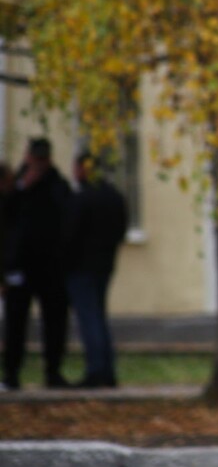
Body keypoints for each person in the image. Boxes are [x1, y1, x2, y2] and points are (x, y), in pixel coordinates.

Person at [2, 137, 73, 391]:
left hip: (51, 266)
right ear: (27, 157)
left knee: (55, 321)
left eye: (43, 159)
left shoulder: (57, 184)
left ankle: (53, 371)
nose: (39, 164)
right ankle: (11, 373)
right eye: (36, 158)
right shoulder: (16, 184)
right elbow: (6, 214)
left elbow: (66, 217)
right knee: (15, 323)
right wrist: (22, 187)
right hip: (20, 266)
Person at [64, 152, 129, 388]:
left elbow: (69, 235)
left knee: (90, 319)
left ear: (84, 169)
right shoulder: (114, 197)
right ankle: (107, 370)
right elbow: (121, 230)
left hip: (82, 268)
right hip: (105, 265)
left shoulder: (81, 198)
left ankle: (96, 371)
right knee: (99, 317)